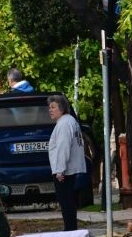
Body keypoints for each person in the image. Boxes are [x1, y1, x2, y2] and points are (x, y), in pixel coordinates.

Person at [47, 94, 86, 231]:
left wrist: (60, 170)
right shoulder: (69, 121)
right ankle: (70, 228)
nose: (50, 110)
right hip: (68, 168)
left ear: (62, 108)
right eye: (49, 107)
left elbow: (63, 147)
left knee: (66, 201)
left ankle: (70, 229)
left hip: (65, 170)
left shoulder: (64, 123)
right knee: (68, 201)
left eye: (53, 107)